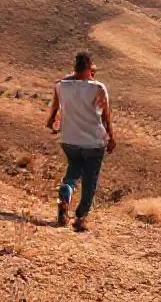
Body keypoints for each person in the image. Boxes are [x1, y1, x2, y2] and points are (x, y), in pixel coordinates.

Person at [45, 51, 116, 231]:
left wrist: (51, 121)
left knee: (73, 172)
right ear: (90, 67)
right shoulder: (98, 88)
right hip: (93, 141)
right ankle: (80, 217)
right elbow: (105, 116)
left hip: (69, 139)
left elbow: (54, 108)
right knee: (90, 180)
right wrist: (111, 137)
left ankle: (65, 195)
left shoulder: (62, 85)